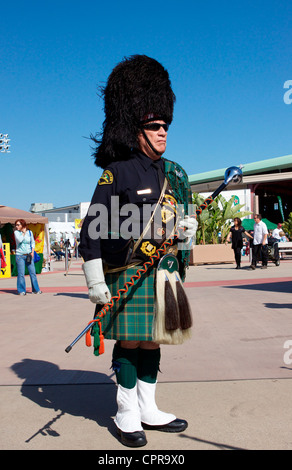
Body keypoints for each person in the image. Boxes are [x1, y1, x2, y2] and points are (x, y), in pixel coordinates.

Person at [79, 55, 198, 448]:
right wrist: (95, 282)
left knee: (153, 340)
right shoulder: (118, 171)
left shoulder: (176, 174)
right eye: (154, 126)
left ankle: (149, 407)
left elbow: (185, 231)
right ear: (136, 129)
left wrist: (187, 233)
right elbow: (92, 231)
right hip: (128, 271)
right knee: (130, 341)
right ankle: (126, 411)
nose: (163, 132)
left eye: (165, 125)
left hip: (164, 274)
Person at [14, 219, 42, 295]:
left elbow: (32, 242)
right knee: (21, 274)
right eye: (16, 225)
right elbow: (19, 240)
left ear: (23, 225)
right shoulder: (16, 233)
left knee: (32, 272)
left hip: (29, 255)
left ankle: (36, 289)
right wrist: (23, 233)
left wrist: (32, 251)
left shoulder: (30, 232)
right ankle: (21, 290)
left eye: (18, 225)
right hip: (20, 255)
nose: (17, 226)